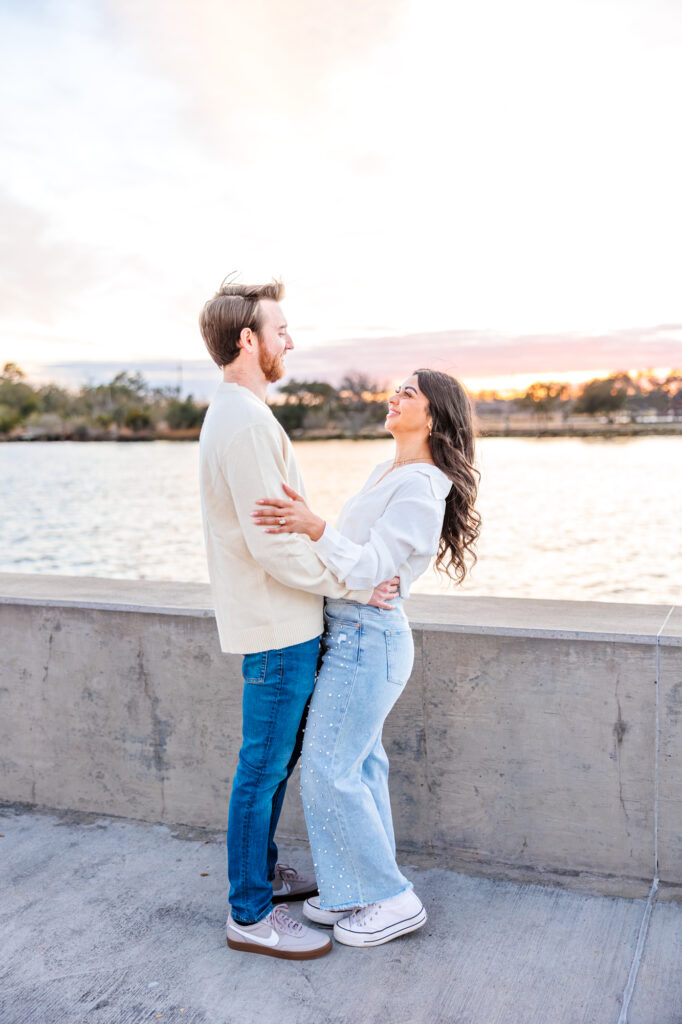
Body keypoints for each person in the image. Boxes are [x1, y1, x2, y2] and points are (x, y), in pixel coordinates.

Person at [197, 278, 399, 961]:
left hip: (279, 623)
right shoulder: (246, 422)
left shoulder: (238, 414)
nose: (290, 339)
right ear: (247, 340)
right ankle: (248, 915)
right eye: (280, 329)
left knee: (273, 765)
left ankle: (262, 874)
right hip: (280, 628)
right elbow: (275, 545)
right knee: (262, 768)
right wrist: (353, 580)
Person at [252, 368, 480, 948]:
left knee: (328, 769)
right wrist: (321, 537)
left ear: (432, 416)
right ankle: (355, 888)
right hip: (349, 634)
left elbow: (374, 568)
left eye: (408, 392)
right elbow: (356, 561)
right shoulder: (389, 471)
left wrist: (316, 526)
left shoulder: (425, 486)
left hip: (369, 642)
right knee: (359, 767)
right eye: (396, 389)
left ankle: (393, 899)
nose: (393, 397)